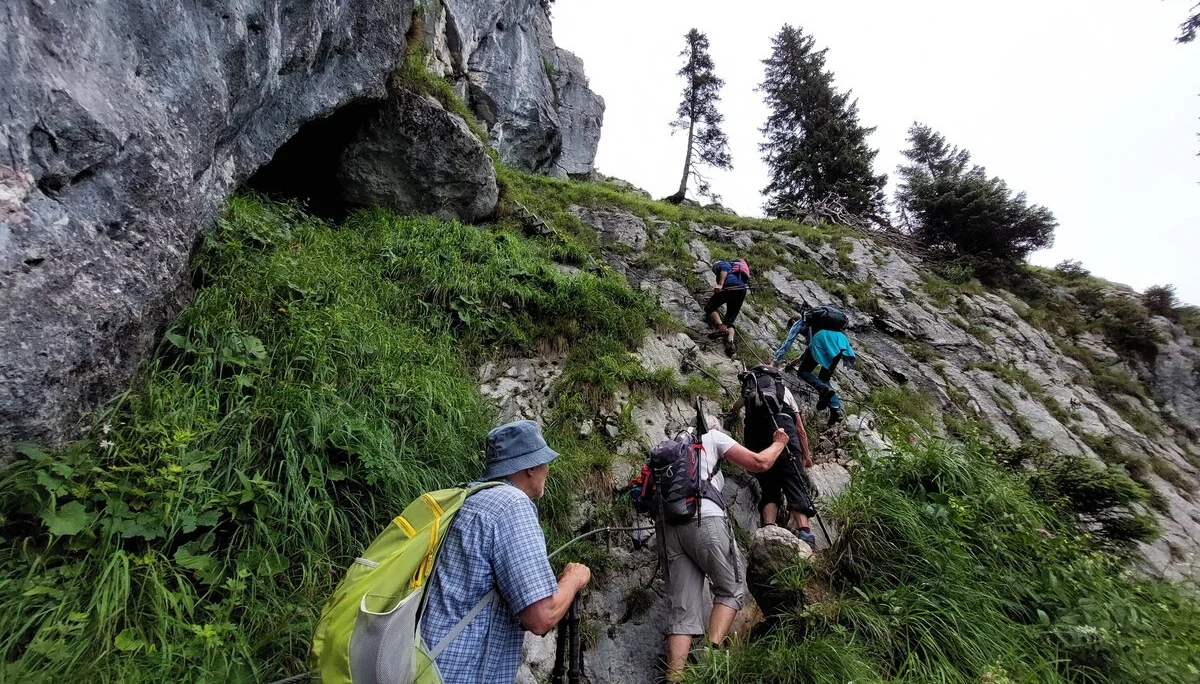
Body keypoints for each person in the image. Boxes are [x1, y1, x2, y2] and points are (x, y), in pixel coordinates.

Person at [420, 420, 592, 684]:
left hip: (427, 662)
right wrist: (574, 578)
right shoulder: (512, 505)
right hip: (464, 675)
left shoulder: (469, 497)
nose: (547, 470)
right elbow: (541, 616)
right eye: (545, 462)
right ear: (531, 467)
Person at [663, 418, 789, 682]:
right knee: (731, 588)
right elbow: (760, 463)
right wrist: (779, 443)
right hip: (705, 520)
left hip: (668, 528)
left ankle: (675, 678)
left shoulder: (670, 448)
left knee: (682, 610)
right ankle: (711, 661)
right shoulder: (713, 437)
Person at [729, 365, 818, 547]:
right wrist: (806, 455)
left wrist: (732, 412)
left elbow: (734, 407)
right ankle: (805, 534)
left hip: (755, 434)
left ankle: (768, 528)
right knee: (793, 478)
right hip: (782, 428)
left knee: (768, 485)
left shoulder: (751, 389)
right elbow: (800, 429)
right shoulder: (783, 391)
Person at [773, 310, 856, 425]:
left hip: (822, 339)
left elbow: (789, 342)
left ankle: (823, 389)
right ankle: (836, 410)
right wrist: (797, 361)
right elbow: (810, 350)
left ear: (793, 321)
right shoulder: (821, 324)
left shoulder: (799, 322)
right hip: (840, 341)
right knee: (824, 378)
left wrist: (775, 360)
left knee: (803, 371)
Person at [705, 259, 748, 356]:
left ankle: (721, 327)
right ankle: (730, 342)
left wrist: (720, 284)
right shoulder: (738, 271)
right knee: (729, 320)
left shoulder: (723, 264)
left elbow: (724, 269)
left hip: (729, 286)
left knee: (709, 308)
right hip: (741, 290)